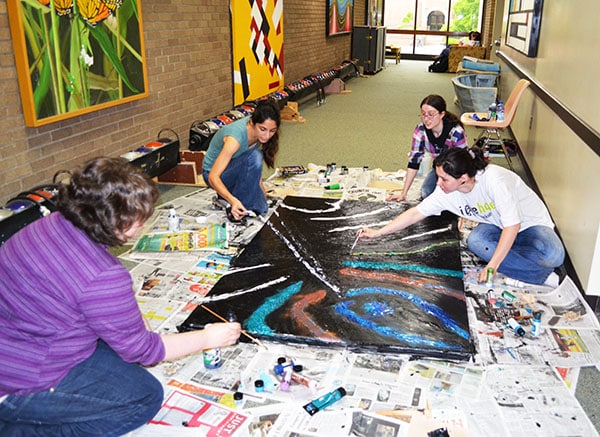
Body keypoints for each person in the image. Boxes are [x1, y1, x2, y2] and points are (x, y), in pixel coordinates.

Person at [0, 157, 241, 435]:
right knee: (144, 396)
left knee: (117, 359)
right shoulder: (102, 274)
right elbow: (146, 352)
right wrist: (208, 338)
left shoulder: (51, 223)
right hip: (21, 380)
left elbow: (79, 293)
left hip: (18, 339)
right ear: (109, 220)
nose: (143, 226)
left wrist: (129, 320)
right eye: (138, 219)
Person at [360, 147, 565, 286]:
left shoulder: (494, 181)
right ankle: (540, 275)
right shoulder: (445, 192)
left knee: (555, 256)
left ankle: (510, 258)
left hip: (529, 224)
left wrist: (492, 265)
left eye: (444, 179)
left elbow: (513, 225)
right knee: (476, 241)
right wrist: (378, 232)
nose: (438, 184)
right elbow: (415, 213)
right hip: (494, 224)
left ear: (463, 179)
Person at [202, 99, 281, 221]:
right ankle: (234, 202)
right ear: (252, 123)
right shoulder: (235, 138)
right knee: (255, 155)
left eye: (272, 131)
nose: (267, 135)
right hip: (214, 175)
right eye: (263, 129)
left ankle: (226, 198)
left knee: (262, 208)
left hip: (234, 168)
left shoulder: (259, 132)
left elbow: (253, 167)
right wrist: (233, 201)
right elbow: (213, 176)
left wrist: (261, 189)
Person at [389, 94, 467, 202]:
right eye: (423, 114)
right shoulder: (421, 130)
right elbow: (414, 161)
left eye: (431, 115)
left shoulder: (456, 132)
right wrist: (403, 193)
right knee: (427, 193)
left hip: (456, 171)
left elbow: (464, 163)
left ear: (442, 114)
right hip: (439, 169)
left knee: (454, 197)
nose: (426, 119)